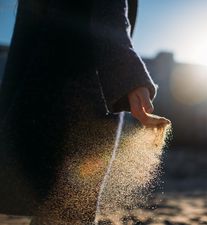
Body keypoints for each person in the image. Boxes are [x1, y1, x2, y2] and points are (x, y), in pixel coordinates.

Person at [0, 0, 169, 223]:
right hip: (82, 102)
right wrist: (133, 81)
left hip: (39, 95)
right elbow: (110, 20)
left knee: (54, 208)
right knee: (70, 212)